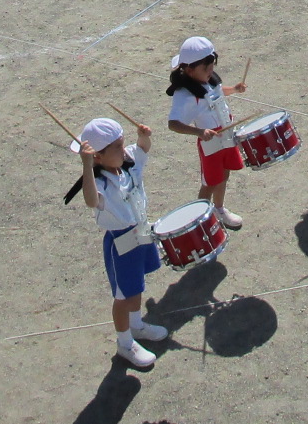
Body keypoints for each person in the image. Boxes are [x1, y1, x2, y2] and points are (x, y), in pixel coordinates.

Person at [74, 116, 171, 369]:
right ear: (98, 156)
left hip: (141, 233)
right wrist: (85, 166)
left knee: (136, 287)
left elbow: (142, 149)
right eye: (117, 147)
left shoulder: (125, 163)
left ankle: (137, 325)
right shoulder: (99, 182)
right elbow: (91, 201)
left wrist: (144, 136)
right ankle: (125, 343)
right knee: (122, 296)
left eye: (122, 142)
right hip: (122, 244)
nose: (123, 149)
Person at [164, 36, 248, 229]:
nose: (211, 70)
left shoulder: (209, 79)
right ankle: (198, 219)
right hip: (210, 143)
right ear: (189, 69)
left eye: (212, 65)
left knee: (224, 174)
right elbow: (173, 124)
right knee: (209, 182)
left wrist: (234, 89)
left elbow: (217, 92)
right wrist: (199, 131)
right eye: (206, 67)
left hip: (226, 136)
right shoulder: (185, 95)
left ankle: (219, 209)